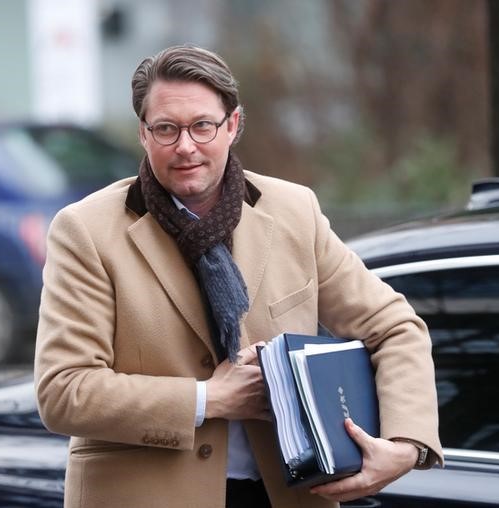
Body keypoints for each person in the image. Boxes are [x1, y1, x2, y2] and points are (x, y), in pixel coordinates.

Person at [34, 44, 442, 508]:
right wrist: (207, 399)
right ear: (144, 136)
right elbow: (63, 390)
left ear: (232, 125)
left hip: (287, 493)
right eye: (166, 128)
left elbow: (395, 327)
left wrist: (406, 445)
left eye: (202, 126)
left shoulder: (294, 211)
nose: (185, 145)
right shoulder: (85, 230)